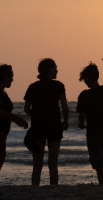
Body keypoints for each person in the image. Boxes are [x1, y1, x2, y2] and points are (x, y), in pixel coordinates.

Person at [23, 58, 69, 186]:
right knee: (53, 163)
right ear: (49, 69)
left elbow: (26, 109)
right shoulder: (59, 86)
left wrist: (37, 115)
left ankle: (35, 189)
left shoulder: (33, 87)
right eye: (55, 67)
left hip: (38, 127)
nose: (57, 70)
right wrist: (66, 121)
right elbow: (65, 107)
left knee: (37, 165)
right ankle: (53, 188)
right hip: (54, 125)